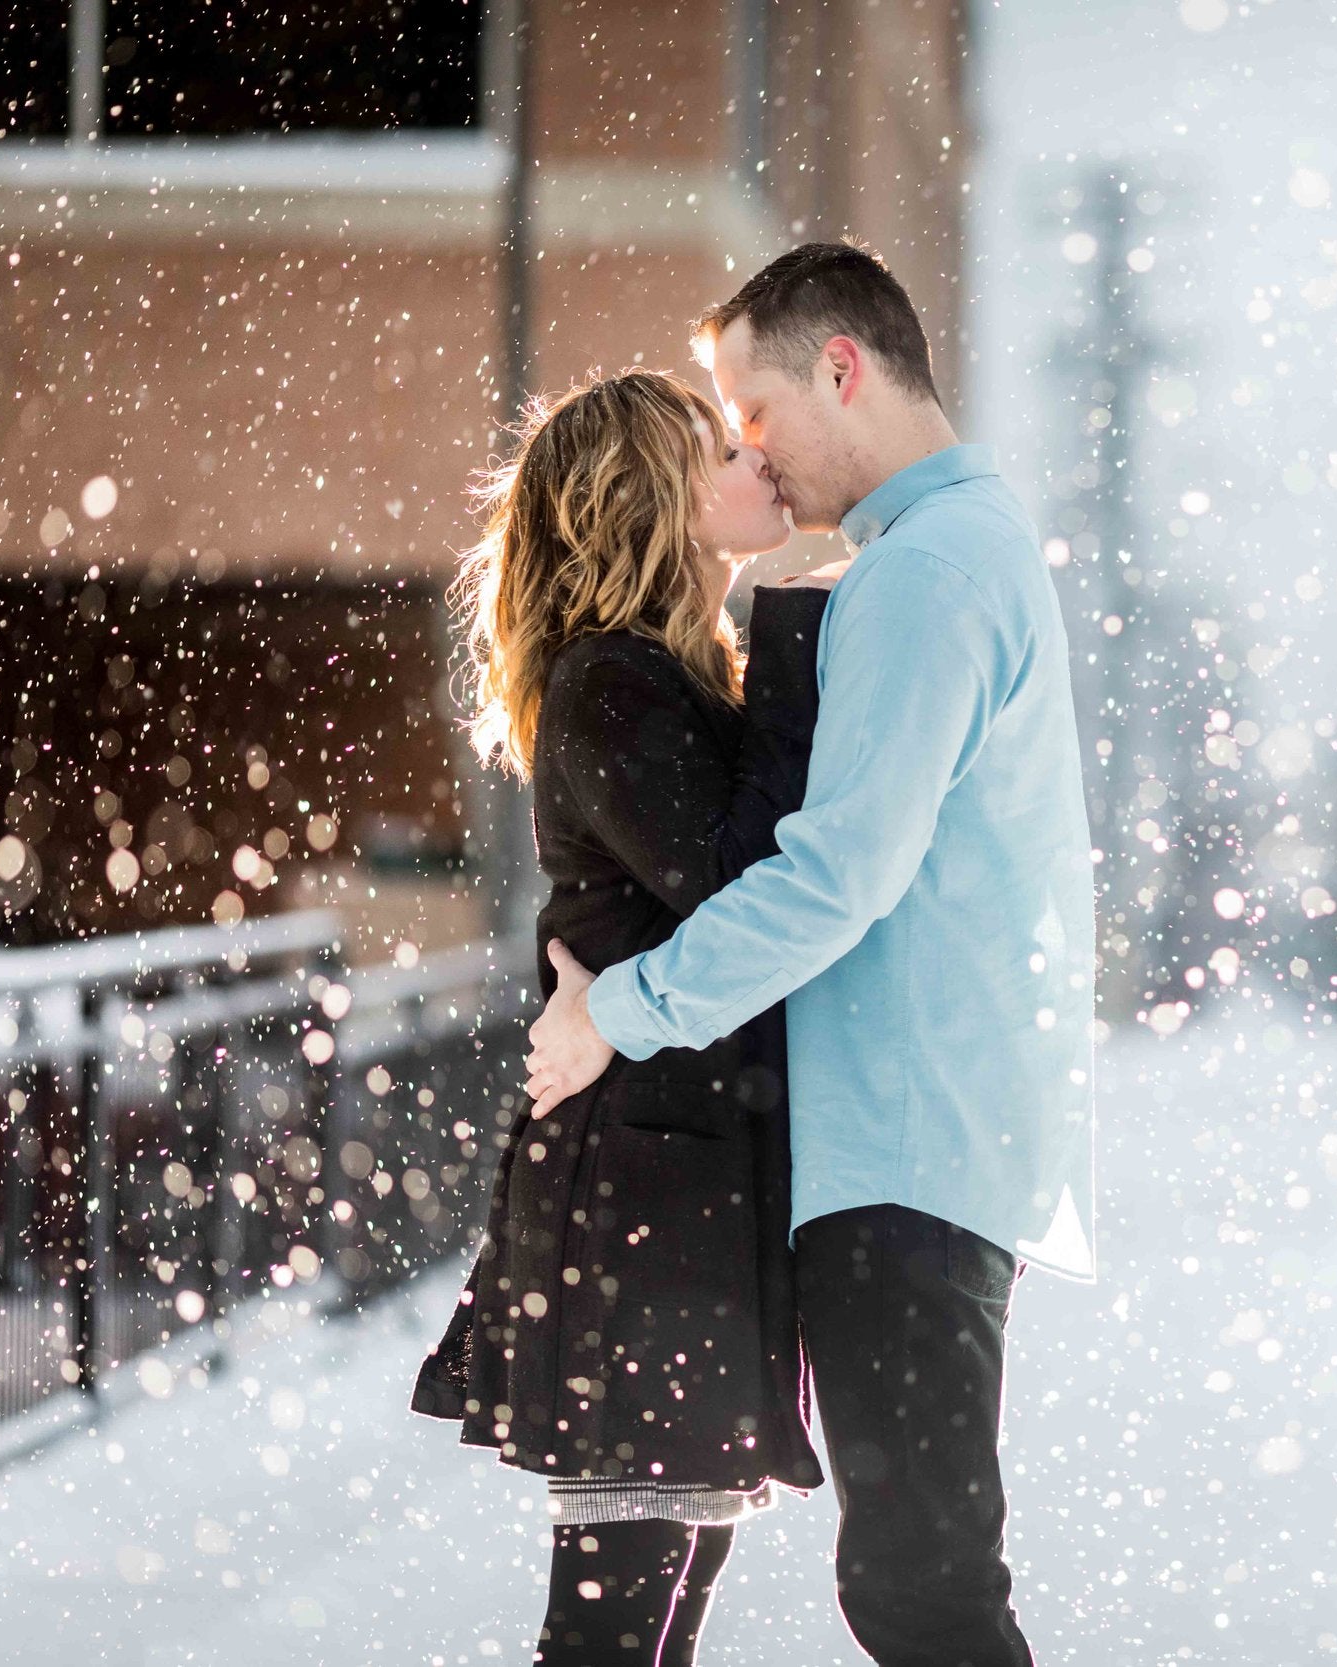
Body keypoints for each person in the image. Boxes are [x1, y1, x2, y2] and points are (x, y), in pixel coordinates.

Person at [520, 242, 1097, 1667]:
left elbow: (834, 873)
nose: (756, 451)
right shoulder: (942, 556)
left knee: (919, 1587)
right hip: (901, 1136)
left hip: (903, 1141)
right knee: (908, 1580)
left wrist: (625, 1009)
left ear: (840, 367)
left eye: (754, 408)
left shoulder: (920, 576)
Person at [412, 368, 833, 1664]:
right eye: (722, 448)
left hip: (674, 1189)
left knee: (656, 1614)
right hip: (642, 1209)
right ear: (655, 497)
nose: (756, 459)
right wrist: (798, 639)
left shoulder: (663, 677)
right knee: (610, 1636)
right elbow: (754, 876)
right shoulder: (614, 684)